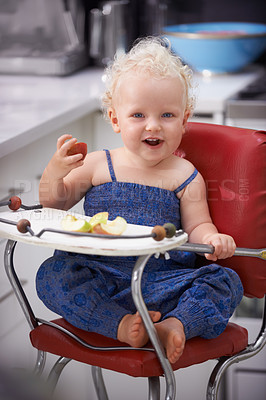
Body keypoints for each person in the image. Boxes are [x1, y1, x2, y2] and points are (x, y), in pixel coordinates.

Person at [36, 37, 243, 364]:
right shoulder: (97, 164)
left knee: (226, 281)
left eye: (167, 114)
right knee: (52, 274)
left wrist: (212, 239)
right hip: (100, 275)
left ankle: (176, 324)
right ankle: (118, 324)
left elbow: (198, 224)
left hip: (163, 282)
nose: (153, 125)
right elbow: (53, 202)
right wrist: (54, 172)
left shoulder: (185, 174)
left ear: (185, 119)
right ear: (116, 119)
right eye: (138, 115)